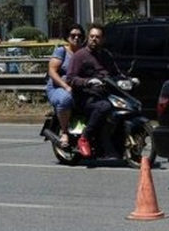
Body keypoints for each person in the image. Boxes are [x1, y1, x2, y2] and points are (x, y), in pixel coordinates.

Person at [66, 23, 122, 158]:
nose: (94, 39)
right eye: (92, 36)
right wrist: (87, 81)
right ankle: (84, 138)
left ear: (102, 39)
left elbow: (116, 73)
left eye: (97, 37)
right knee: (104, 107)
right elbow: (71, 78)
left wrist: (128, 79)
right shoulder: (80, 55)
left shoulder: (106, 55)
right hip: (85, 97)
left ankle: (112, 144)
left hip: (104, 93)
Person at [46, 23, 85, 149]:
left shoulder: (84, 52)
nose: (76, 38)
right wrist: (65, 86)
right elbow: (52, 71)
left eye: (79, 35)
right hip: (57, 87)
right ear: (67, 37)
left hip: (78, 87)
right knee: (65, 99)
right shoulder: (61, 51)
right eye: (73, 35)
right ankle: (64, 132)